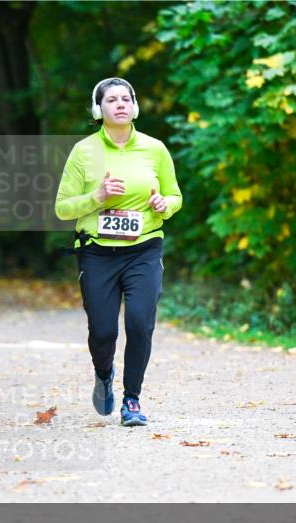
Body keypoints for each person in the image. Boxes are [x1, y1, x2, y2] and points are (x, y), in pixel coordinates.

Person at [54, 77, 183, 426]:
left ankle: (132, 400)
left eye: (126, 98)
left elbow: (175, 196)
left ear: (135, 106)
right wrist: (96, 197)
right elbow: (62, 208)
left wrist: (164, 204)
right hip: (97, 253)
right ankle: (103, 373)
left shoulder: (155, 149)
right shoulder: (83, 151)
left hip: (145, 248)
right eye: (111, 100)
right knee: (103, 332)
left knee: (140, 322)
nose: (120, 104)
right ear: (98, 109)